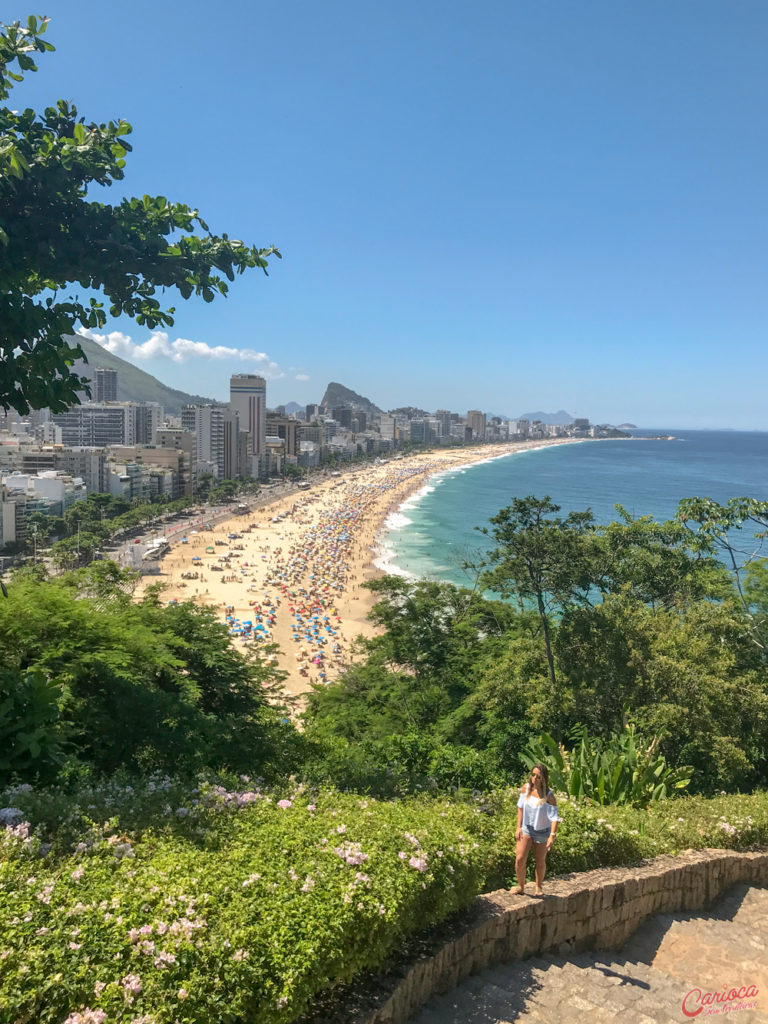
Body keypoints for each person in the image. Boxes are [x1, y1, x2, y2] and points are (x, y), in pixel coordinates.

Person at [513, 762, 559, 896]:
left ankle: (538, 886)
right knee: (520, 858)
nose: (534, 778)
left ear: (544, 778)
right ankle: (521, 886)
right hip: (527, 828)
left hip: (542, 831)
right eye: (533, 775)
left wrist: (552, 835)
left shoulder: (548, 795)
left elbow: (554, 817)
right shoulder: (526, 789)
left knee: (540, 861)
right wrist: (518, 827)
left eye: (538, 776)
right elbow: (520, 807)